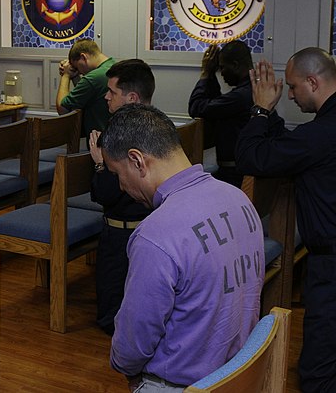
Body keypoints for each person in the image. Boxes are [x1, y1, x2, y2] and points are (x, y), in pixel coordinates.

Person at [101, 104, 264, 392]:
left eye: (117, 173)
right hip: (237, 374)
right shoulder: (238, 198)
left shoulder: (155, 234)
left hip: (182, 384)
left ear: (137, 161)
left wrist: (125, 368)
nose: (122, 186)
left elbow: (133, 343)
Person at [235, 48, 336, 392]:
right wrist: (272, 115)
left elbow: (251, 157)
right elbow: (293, 146)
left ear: (313, 81)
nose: (290, 94)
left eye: (293, 87)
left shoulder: (321, 134)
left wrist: (261, 109)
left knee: (318, 373)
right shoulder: (321, 131)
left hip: (331, 264)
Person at [87, 59, 155, 335]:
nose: (106, 96)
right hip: (151, 228)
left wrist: (99, 162)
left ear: (132, 98)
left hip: (121, 234)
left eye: (112, 91)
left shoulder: (117, 135)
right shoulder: (161, 127)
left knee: (111, 317)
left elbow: (104, 194)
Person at [188, 41, 253, 187]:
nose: (221, 72)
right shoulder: (253, 88)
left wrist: (205, 73)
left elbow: (196, 107)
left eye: (223, 67)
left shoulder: (241, 96)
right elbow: (217, 105)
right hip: (241, 169)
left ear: (235, 65)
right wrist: (211, 75)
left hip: (234, 175)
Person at [55, 38, 115, 139]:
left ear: (83, 57)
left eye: (77, 67)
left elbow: (62, 109)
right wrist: (74, 76)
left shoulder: (94, 77)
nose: (80, 72)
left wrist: (66, 75)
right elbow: (88, 94)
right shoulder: (113, 66)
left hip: (100, 141)